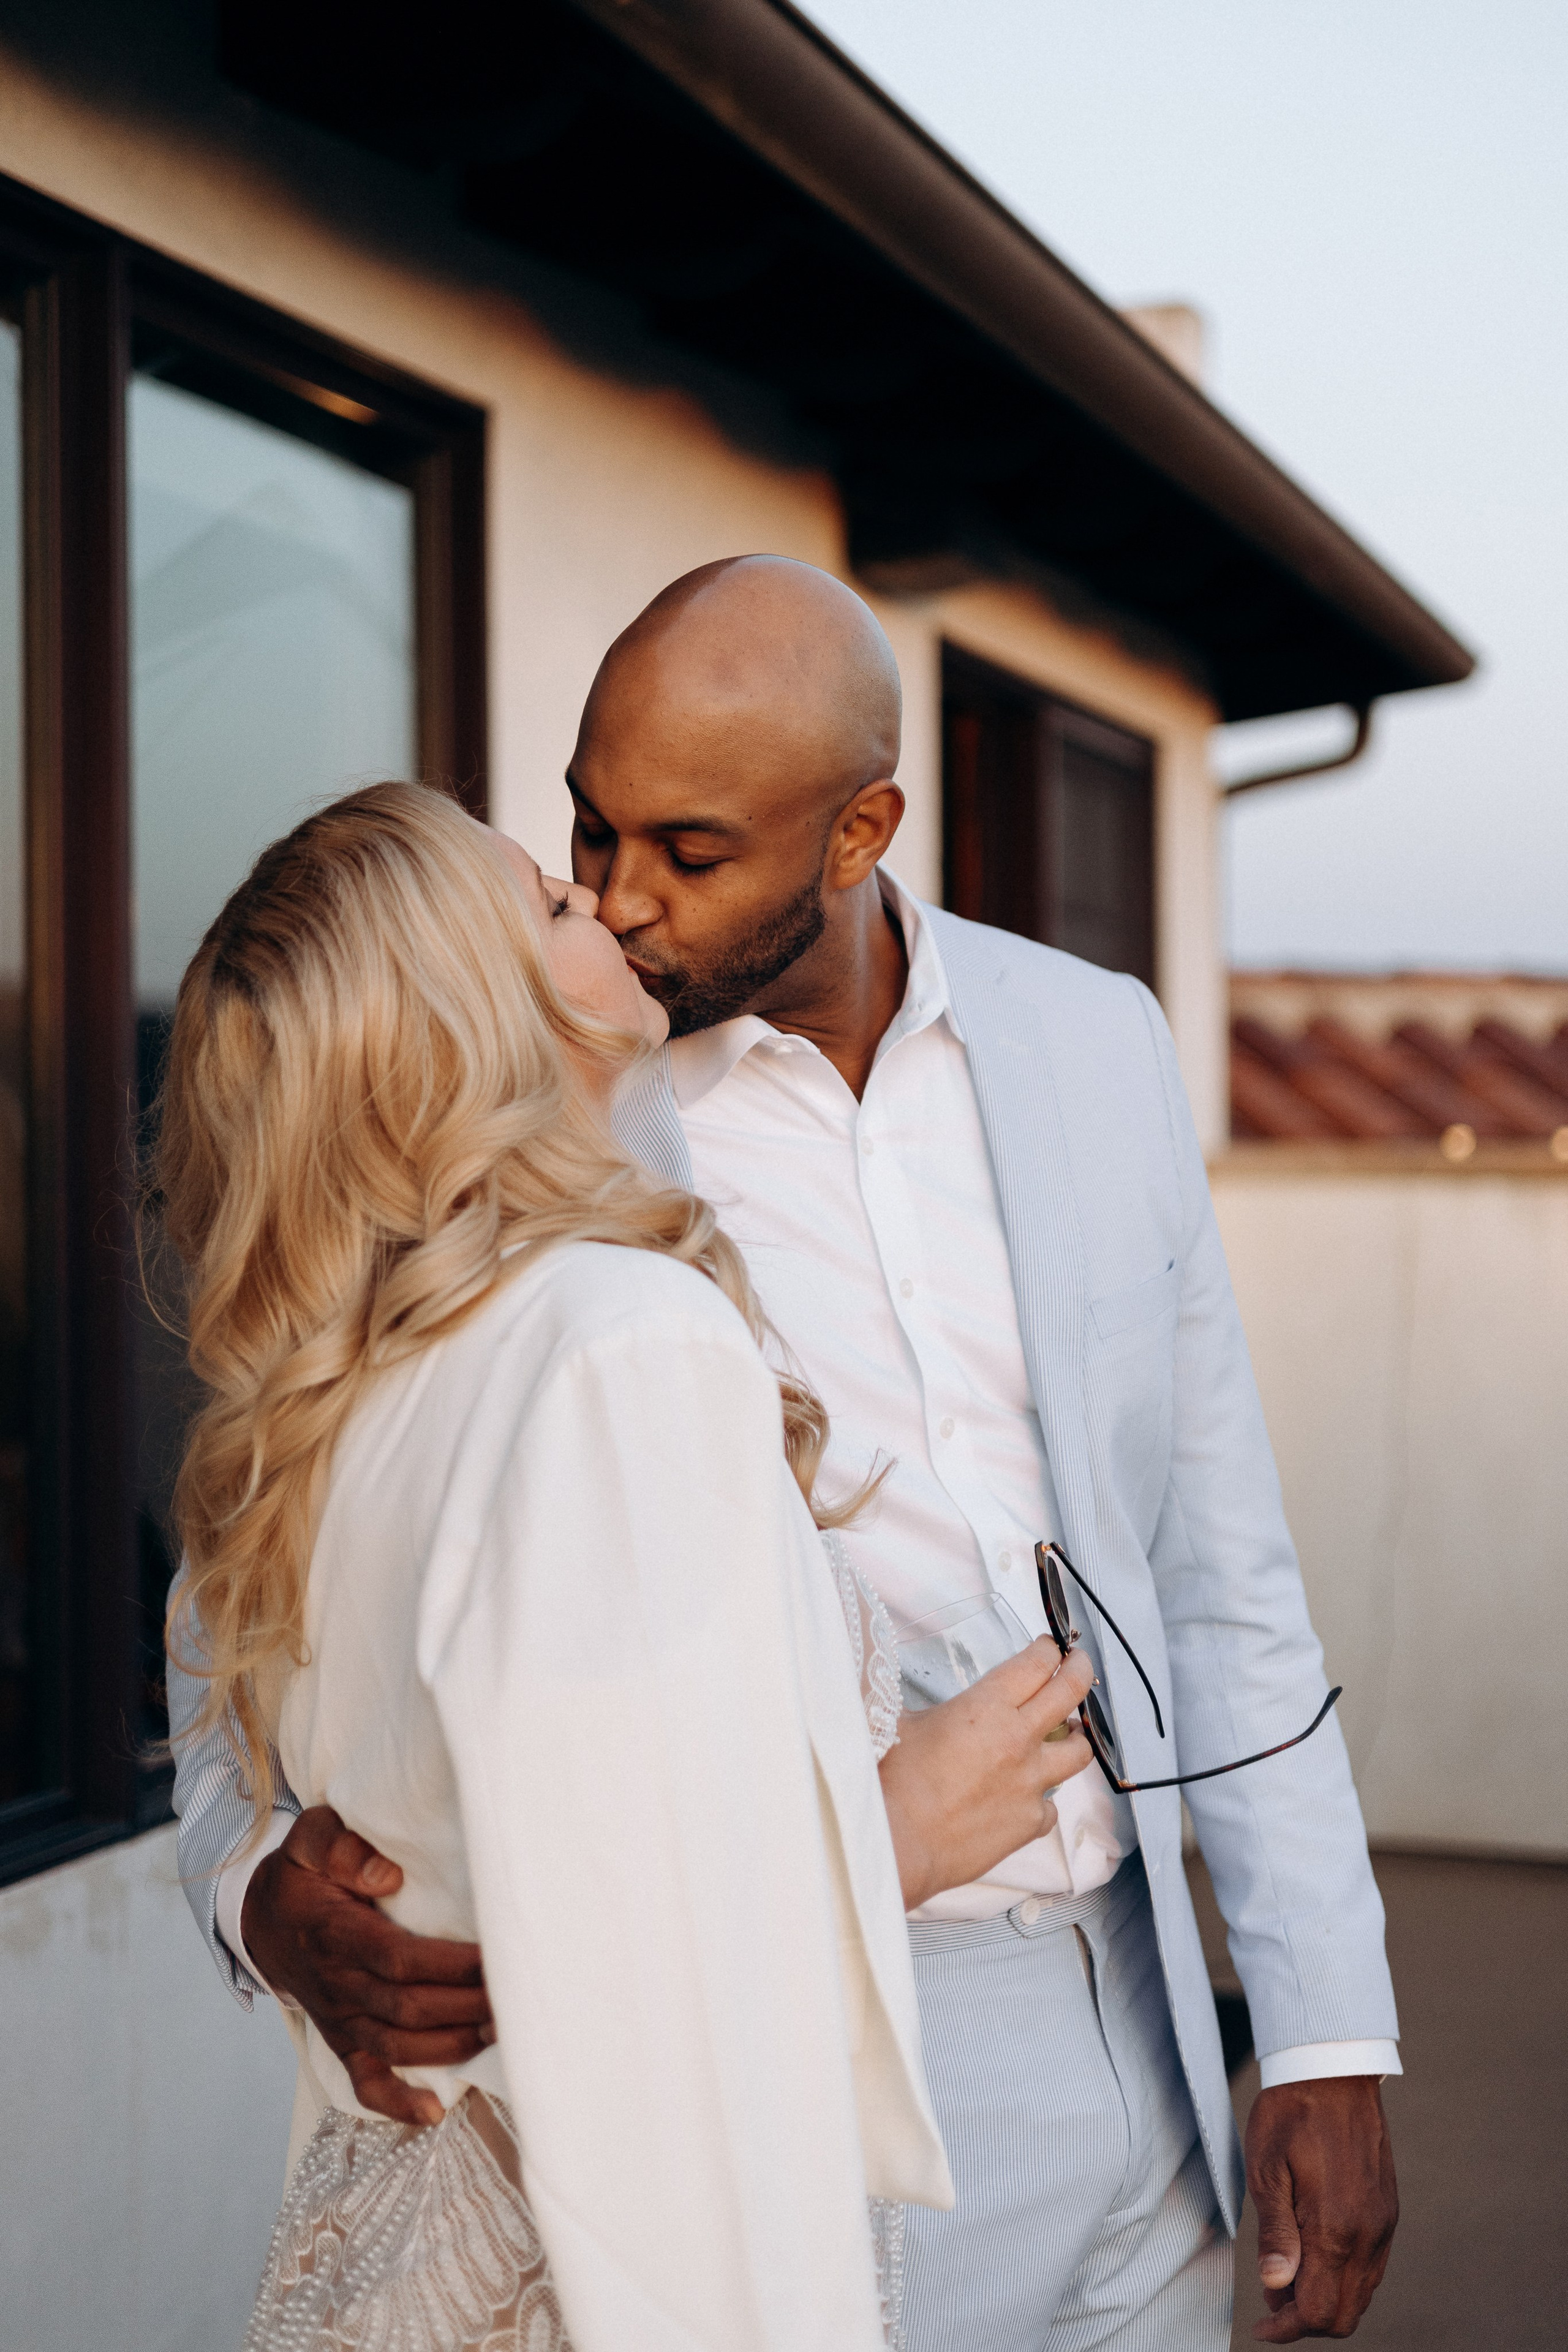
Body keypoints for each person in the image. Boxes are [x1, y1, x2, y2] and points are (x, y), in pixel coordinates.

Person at [176, 558, 1402, 2350]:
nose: (615, 898)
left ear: (859, 832)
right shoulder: (541, 1110)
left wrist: (1326, 2025)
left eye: (686, 852)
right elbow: (271, 1566)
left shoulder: (1098, 1044)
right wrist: (254, 1886)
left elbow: (1223, 1570)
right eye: (589, 835)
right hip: (835, 2031)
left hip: (1145, 2010)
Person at [158, 778, 1100, 2349]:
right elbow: (629, 1990)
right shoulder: (619, 1345)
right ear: (476, 1015)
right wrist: (891, 1836)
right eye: (545, 899)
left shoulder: (324, 1413)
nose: (601, 903)